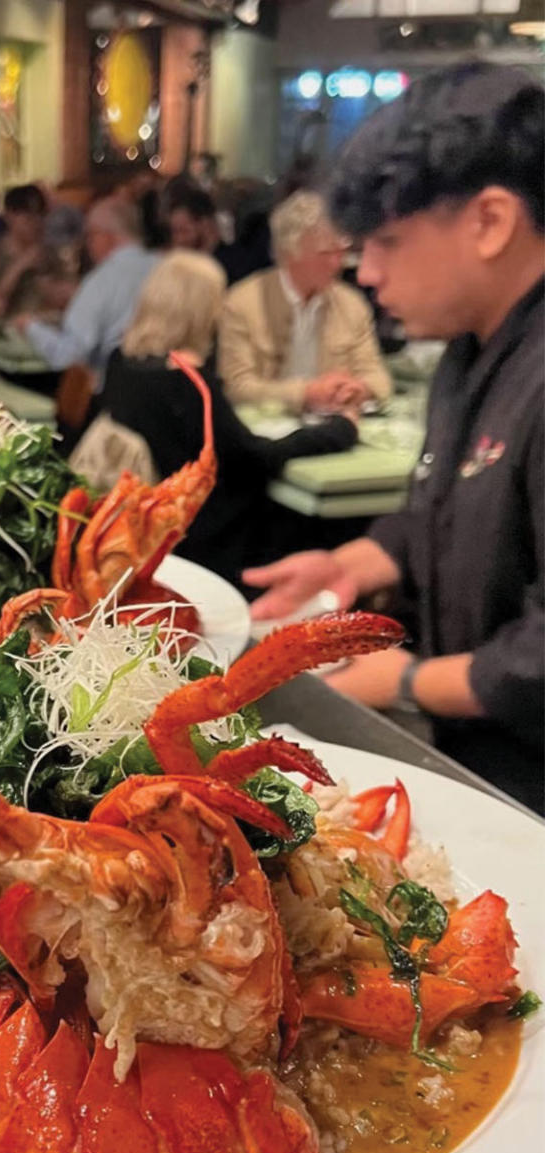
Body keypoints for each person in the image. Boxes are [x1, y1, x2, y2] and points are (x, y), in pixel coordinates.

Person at [244, 62, 544, 813]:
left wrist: (406, 680)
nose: (366, 273)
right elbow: (439, 514)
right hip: (474, 757)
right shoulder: (466, 352)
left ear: (490, 221)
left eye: (385, 242)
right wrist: (345, 562)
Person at [99, 252, 357, 585]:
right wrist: (340, 429)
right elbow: (252, 458)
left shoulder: (120, 362)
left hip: (150, 526)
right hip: (208, 538)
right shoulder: (191, 382)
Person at [220, 189, 391, 413]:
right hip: (266, 432)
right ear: (290, 252)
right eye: (326, 253)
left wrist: (359, 388)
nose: (337, 264)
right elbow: (237, 388)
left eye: (341, 252)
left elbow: (378, 377)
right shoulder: (242, 303)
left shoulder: (351, 304)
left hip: (335, 428)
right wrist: (306, 394)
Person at [14, 198, 157, 387]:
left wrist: (31, 327)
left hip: (117, 395)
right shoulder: (168, 268)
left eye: (90, 235)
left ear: (107, 237)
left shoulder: (101, 281)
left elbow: (70, 357)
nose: (87, 244)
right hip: (171, 391)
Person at [0, 184, 63, 321]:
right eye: (28, 218)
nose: (36, 224)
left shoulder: (49, 254)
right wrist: (18, 268)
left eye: (40, 216)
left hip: (44, 329)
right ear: (9, 216)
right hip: (5, 331)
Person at [167, 187, 230, 274]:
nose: (178, 239)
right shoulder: (178, 267)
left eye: (184, 231)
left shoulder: (230, 266)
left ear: (206, 224)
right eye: (174, 232)